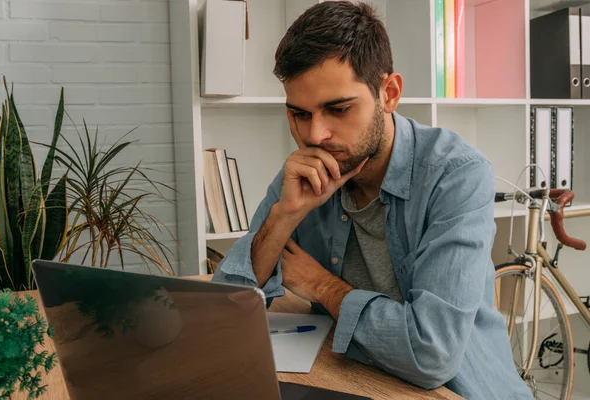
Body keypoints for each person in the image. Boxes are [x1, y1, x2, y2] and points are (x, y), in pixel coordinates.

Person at [212, 2, 533, 399]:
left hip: (458, 391)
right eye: (299, 114)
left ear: (389, 93)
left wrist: (319, 285)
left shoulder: (455, 175)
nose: (315, 135)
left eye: (338, 109)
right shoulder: (304, 174)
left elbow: (430, 354)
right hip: (355, 380)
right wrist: (283, 218)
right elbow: (222, 313)